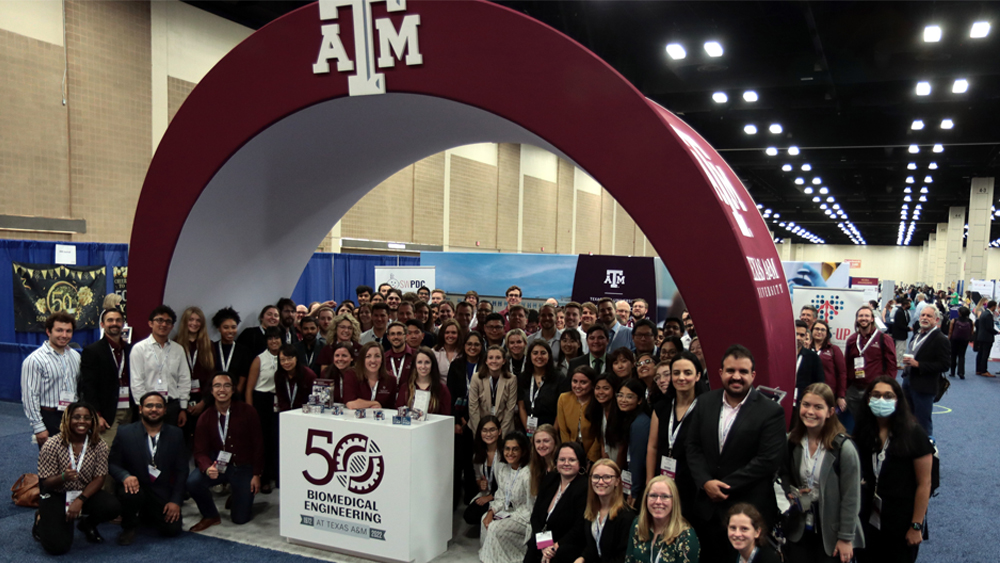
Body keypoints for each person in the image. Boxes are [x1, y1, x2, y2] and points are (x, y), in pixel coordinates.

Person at [685, 344, 786, 563]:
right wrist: (705, 483)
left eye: (743, 371)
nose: (736, 376)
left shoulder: (771, 411)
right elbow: (692, 447)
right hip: (707, 510)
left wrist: (722, 484)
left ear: (753, 375)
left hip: (748, 513)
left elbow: (767, 460)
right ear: (721, 373)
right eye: (730, 371)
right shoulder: (705, 402)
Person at [780, 383, 864, 563]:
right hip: (800, 529)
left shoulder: (844, 449)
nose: (810, 411)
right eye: (806, 405)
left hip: (832, 534)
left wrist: (845, 538)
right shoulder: (793, 441)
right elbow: (784, 474)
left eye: (818, 407)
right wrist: (791, 491)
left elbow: (852, 498)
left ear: (830, 412)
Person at [855, 376, 934, 563]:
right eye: (876, 395)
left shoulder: (914, 434)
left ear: (898, 400)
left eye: (888, 396)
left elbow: (925, 484)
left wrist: (916, 526)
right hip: (868, 518)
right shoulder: (863, 431)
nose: (881, 400)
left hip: (902, 520)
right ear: (868, 399)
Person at [34, 402, 121, 554]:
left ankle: (87, 524)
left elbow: (99, 478)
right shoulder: (52, 445)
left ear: (92, 421)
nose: (82, 421)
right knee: (57, 548)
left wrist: (80, 500)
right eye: (77, 417)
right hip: (56, 493)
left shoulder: (99, 445)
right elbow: (46, 482)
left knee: (112, 506)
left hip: (83, 493)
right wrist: (63, 477)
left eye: (87, 418)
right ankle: (41, 518)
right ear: (68, 420)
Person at [109, 392, 186, 545]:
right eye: (149, 406)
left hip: (161, 491)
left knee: (172, 530)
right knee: (130, 493)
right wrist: (125, 476)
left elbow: (182, 470)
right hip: (135, 488)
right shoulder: (125, 432)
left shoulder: (176, 434)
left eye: (158, 406)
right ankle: (129, 527)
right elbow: (112, 463)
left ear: (165, 410)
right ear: (140, 409)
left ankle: (145, 515)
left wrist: (176, 501)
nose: (154, 409)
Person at [188, 373, 264, 531]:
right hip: (218, 465)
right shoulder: (205, 417)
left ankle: (237, 494)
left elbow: (258, 445)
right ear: (211, 390)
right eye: (217, 386)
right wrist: (208, 467)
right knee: (193, 482)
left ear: (233, 390)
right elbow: (199, 451)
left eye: (227, 386)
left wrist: (257, 475)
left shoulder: (248, 412)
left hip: (243, 467)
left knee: (240, 519)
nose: (222, 389)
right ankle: (210, 515)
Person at [646, 353, 704, 523]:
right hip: (662, 480)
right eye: (676, 373)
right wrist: (650, 480)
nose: (681, 378)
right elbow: (652, 447)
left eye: (687, 372)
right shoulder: (662, 406)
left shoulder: (706, 408)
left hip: (691, 483)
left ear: (698, 375)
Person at [525, 441, 589, 563]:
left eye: (572, 460)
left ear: (580, 463)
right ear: (556, 462)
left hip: (567, 543)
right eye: (562, 459)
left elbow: (579, 528)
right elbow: (536, 516)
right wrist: (544, 544)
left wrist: (554, 547)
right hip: (543, 540)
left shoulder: (584, 487)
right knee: (532, 549)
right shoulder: (550, 479)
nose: (566, 463)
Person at [130, 305, 190, 428]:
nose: (163, 324)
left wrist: (183, 408)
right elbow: (136, 381)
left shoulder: (178, 349)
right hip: (149, 407)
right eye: (159, 320)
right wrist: (143, 407)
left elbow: (184, 379)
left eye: (168, 322)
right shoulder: (139, 349)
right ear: (150, 323)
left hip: (172, 406)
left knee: (170, 443)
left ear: (172, 326)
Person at [79, 308, 132, 445]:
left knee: (128, 451)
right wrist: (96, 415)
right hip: (107, 412)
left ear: (123, 324)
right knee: (105, 454)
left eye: (118, 320)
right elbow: (88, 386)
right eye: (110, 320)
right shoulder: (92, 351)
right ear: (102, 325)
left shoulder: (130, 349)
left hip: (130, 411)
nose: (114, 323)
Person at [479, 432, 533, 563]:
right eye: (507, 449)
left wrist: (509, 517)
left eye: (515, 449)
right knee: (484, 519)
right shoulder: (504, 469)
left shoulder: (528, 474)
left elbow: (532, 506)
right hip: (508, 511)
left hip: (524, 518)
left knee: (495, 527)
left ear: (523, 451)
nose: (510, 453)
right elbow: (501, 497)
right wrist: (491, 512)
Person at [448, 331, 487, 505]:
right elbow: (450, 394)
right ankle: (453, 500)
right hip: (459, 419)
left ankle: (472, 499)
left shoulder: (486, 365)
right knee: (458, 461)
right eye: (469, 344)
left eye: (476, 344)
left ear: (481, 347)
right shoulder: (456, 365)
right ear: (464, 346)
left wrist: (473, 420)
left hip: (479, 420)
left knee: (475, 460)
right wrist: (458, 420)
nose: (473, 347)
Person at [623, 475, 699, 563]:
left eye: (665, 496)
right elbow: (629, 559)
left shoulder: (686, 536)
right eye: (653, 495)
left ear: (674, 501)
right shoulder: (638, 524)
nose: (658, 501)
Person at [575, 459, 637, 563]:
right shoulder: (591, 511)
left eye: (607, 477)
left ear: (617, 481)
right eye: (596, 477)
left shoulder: (626, 516)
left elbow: (623, 557)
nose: (600, 482)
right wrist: (582, 558)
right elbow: (593, 547)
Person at [901, 305, 950, 436]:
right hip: (908, 381)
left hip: (924, 386)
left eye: (929, 316)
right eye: (923, 315)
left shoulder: (941, 339)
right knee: (906, 418)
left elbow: (945, 365)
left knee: (923, 422)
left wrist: (919, 364)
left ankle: (926, 451)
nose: (924, 318)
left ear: (937, 319)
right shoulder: (917, 334)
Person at [244, 326, 282, 492]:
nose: (274, 341)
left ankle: (279, 476)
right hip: (262, 402)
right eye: (270, 338)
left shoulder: (286, 356)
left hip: (281, 402)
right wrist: (250, 410)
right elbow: (249, 388)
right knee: (264, 441)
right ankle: (264, 478)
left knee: (278, 440)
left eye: (277, 338)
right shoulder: (259, 359)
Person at [844, 306, 896, 421]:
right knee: (857, 421)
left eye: (867, 316)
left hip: (874, 389)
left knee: (875, 422)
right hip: (854, 389)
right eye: (861, 316)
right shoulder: (852, 340)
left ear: (872, 319)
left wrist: (887, 387)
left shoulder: (884, 339)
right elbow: (847, 365)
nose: (864, 318)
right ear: (857, 319)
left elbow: (892, 366)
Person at [176, 307, 216, 439]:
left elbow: (213, 377)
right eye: (191, 319)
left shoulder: (209, 345)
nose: (194, 323)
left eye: (198, 320)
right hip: (181, 403)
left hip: (204, 402)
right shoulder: (175, 344)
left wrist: (204, 402)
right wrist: (183, 405)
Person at [614, 378, 651, 503]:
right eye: (620, 395)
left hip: (640, 484)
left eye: (629, 397)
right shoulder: (628, 419)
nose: (623, 400)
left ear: (640, 400)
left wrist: (634, 491)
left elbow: (637, 459)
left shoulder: (640, 423)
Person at [464, 416, 502, 538]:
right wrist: (480, 483)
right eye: (484, 430)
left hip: (503, 496)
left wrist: (490, 497)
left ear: (499, 432)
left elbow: (510, 484)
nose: (488, 434)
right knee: (469, 515)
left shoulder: (505, 453)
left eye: (492, 430)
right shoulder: (478, 454)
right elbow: (478, 477)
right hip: (486, 493)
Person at [469, 345, 519, 438]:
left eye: (498, 358)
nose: (494, 361)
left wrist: (500, 434)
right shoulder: (476, 378)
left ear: (504, 361)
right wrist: (481, 432)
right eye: (491, 358)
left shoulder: (511, 379)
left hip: (504, 427)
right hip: (479, 427)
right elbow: (473, 407)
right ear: (486, 361)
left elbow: (510, 409)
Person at [557, 366, 601, 460]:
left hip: (594, 453)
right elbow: (563, 431)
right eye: (575, 381)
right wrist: (569, 453)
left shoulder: (598, 401)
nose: (577, 386)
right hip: (571, 452)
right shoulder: (563, 399)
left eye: (583, 382)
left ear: (592, 384)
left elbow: (599, 435)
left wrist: (591, 458)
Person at [519, 341, 563, 433]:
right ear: (530, 356)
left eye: (543, 353)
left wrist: (552, 434)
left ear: (549, 356)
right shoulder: (523, 377)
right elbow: (522, 407)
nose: (539, 356)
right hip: (529, 428)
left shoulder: (559, 377)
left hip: (552, 427)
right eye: (535, 353)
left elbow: (561, 410)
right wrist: (530, 433)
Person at [211, 307, 254, 398]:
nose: (230, 331)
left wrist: (234, 395)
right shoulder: (212, 348)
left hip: (235, 396)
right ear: (219, 328)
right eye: (226, 327)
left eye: (233, 327)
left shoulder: (244, 350)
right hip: (214, 395)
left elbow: (243, 376)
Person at [396, 347, 452, 415]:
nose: (423, 366)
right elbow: (399, 413)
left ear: (432, 364)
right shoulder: (405, 388)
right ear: (415, 365)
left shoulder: (442, 389)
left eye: (427, 362)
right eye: (419, 362)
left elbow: (446, 417)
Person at [343, 342, 398, 409]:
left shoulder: (391, 380)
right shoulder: (351, 375)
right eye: (368, 356)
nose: (373, 360)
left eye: (377, 356)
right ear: (362, 359)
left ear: (382, 359)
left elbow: (391, 409)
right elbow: (351, 404)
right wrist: (375, 403)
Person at [810, 320, 848, 414]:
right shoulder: (806, 348)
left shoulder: (833, 350)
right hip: (808, 391)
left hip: (827, 393)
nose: (819, 332)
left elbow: (842, 373)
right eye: (817, 329)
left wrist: (841, 396)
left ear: (827, 334)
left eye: (823, 330)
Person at [275, 344, 317, 411]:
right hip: (285, 413)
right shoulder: (278, 375)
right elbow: (280, 399)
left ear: (296, 358)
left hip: (304, 412)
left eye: (289, 359)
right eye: (282, 360)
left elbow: (313, 399)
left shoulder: (309, 375)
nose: (286, 362)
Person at [795, 320, 825, 408]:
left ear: (806, 337)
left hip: (803, 401)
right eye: (796, 334)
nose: (798, 338)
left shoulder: (813, 357)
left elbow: (819, 382)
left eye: (802, 335)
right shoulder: (780, 354)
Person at [530, 424, 558, 497]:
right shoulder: (538, 466)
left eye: (546, 441)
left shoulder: (560, 468)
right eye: (538, 441)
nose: (541, 445)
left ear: (555, 442)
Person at [434, 319, 464, 383]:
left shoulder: (463, 353)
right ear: (442, 334)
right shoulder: (434, 352)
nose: (450, 336)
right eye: (447, 332)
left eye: (453, 333)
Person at [948, 305, 972, 379]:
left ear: (959, 313)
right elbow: (971, 332)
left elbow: (950, 331)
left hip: (954, 339)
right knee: (962, 356)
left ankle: (952, 372)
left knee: (953, 355)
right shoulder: (970, 321)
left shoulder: (954, 320)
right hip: (964, 340)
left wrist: (948, 339)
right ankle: (961, 372)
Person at [974, 300, 997, 376]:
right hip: (987, 337)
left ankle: (978, 369)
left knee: (980, 353)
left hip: (981, 336)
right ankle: (984, 371)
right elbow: (989, 328)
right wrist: (997, 332)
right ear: (993, 306)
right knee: (985, 354)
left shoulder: (984, 313)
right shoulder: (988, 315)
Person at [891, 298, 913, 368]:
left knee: (903, 349)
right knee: (899, 349)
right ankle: (897, 364)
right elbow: (899, 324)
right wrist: (908, 329)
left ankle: (899, 362)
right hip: (899, 334)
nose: (910, 305)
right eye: (909, 304)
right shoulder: (899, 312)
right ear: (905, 305)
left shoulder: (905, 311)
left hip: (903, 334)